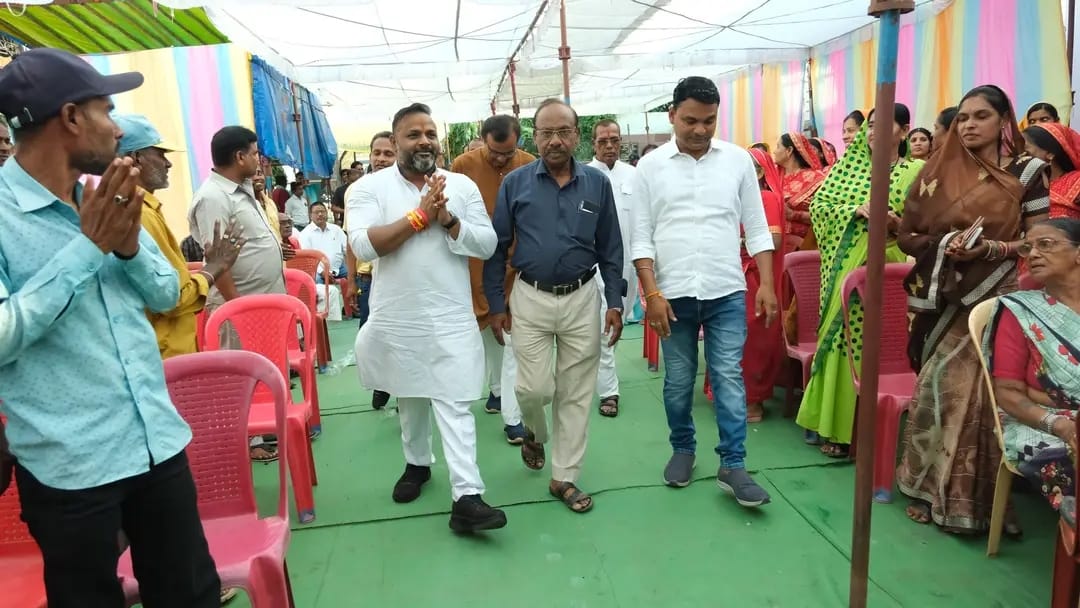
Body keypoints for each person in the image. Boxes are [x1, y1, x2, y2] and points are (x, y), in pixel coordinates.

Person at [0, 47, 220, 607]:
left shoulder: (101, 198)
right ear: (72, 118)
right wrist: (87, 247)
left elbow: (168, 293)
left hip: (155, 443)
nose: (117, 128)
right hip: (70, 467)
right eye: (107, 109)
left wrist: (125, 249)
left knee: (190, 592)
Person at [896, 84, 1050, 533]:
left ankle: (972, 503)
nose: (968, 125)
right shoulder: (940, 171)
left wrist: (990, 249)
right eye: (962, 117)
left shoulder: (1029, 172)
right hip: (945, 296)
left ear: (1004, 121)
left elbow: (1037, 240)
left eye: (980, 116)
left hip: (997, 294)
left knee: (978, 398)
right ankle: (926, 488)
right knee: (935, 386)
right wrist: (946, 245)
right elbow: (910, 234)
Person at [347, 103, 506, 532]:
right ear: (395, 141)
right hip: (398, 313)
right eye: (413, 134)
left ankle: (466, 496)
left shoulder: (461, 185)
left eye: (430, 133)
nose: (424, 141)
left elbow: (488, 244)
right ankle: (417, 465)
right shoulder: (368, 189)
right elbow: (363, 247)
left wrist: (449, 220)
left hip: (451, 312)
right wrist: (419, 217)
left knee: (454, 401)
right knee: (410, 394)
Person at [631, 76, 777, 507]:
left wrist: (767, 283)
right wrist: (652, 293)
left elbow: (756, 226)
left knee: (728, 375)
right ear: (672, 114)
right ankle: (683, 449)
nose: (699, 130)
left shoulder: (736, 161)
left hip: (726, 291)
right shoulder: (650, 167)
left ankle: (733, 464)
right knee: (678, 382)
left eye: (709, 121)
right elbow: (641, 237)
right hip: (672, 295)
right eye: (690, 120)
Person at [485, 98, 624, 514]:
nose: (555, 140)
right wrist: (496, 303)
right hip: (530, 296)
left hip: (583, 297)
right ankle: (533, 431)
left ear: (576, 137)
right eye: (546, 133)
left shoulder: (598, 185)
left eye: (563, 132)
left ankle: (564, 477)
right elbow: (497, 249)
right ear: (535, 136)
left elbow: (611, 247)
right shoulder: (516, 184)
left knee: (577, 393)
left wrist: (614, 299)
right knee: (533, 388)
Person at [796, 105, 923, 455]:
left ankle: (878, 434)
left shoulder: (917, 171)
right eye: (869, 126)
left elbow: (927, 223)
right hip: (843, 272)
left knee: (881, 349)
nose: (872, 132)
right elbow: (819, 206)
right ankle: (836, 429)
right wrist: (853, 211)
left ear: (903, 131)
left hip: (890, 272)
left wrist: (897, 224)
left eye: (883, 125)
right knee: (841, 343)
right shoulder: (849, 168)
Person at [188, 126, 286, 458]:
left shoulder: (241, 189)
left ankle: (262, 430)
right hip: (238, 305)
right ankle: (247, 442)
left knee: (258, 368)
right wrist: (237, 308)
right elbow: (219, 261)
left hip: (258, 303)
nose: (259, 160)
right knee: (237, 374)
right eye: (255, 153)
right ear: (239, 156)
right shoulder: (213, 197)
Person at [115, 113, 243, 359]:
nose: (168, 163)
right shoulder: (138, 213)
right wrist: (212, 270)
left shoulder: (144, 209)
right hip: (166, 355)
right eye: (160, 154)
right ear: (136, 158)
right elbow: (171, 296)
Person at [985, 218, 1080, 520]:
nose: (1033, 254)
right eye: (1027, 247)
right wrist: (1059, 424)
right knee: (1063, 460)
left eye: (1046, 244)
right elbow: (1009, 394)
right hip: (1040, 424)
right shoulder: (1020, 311)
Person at [450, 114, 535, 442]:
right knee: (486, 331)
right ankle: (497, 390)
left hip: (517, 265)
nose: (502, 159)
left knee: (513, 337)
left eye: (508, 152)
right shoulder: (462, 165)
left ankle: (512, 416)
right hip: (473, 265)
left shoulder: (529, 165)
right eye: (495, 152)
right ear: (483, 140)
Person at [587, 119, 637, 418]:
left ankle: (603, 372)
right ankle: (609, 392)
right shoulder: (584, 176)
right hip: (595, 265)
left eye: (614, 140)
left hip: (629, 265)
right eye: (603, 140)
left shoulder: (634, 175)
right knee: (606, 323)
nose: (609, 146)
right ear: (593, 144)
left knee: (619, 320)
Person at [345, 130, 397, 409]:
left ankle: (407, 391)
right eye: (376, 153)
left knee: (402, 335)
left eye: (388, 153)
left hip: (399, 276)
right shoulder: (357, 190)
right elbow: (351, 243)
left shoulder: (408, 187)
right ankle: (381, 384)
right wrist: (351, 280)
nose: (381, 158)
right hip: (368, 278)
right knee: (373, 335)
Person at [738, 147, 786, 423]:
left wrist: (740, 241)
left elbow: (774, 240)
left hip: (755, 276)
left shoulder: (765, 197)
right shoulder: (736, 197)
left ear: (758, 173)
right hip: (735, 272)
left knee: (753, 337)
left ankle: (753, 401)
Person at [1022, 122, 1080, 219]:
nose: (1021, 158)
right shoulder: (1021, 184)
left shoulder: (1076, 181)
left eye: (1026, 153)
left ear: (1050, 153)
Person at [299, 200, 348, 278]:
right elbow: (307, 258)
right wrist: (322, 272)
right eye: (316, 212)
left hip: (338, 269)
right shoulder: (305, 234)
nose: (320, 214)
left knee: (355, 275)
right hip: (317, 271)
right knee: (316, 280)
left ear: (327, 213)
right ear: (310, 215)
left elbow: (347, 249)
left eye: (322, 211)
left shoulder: (336, 229)